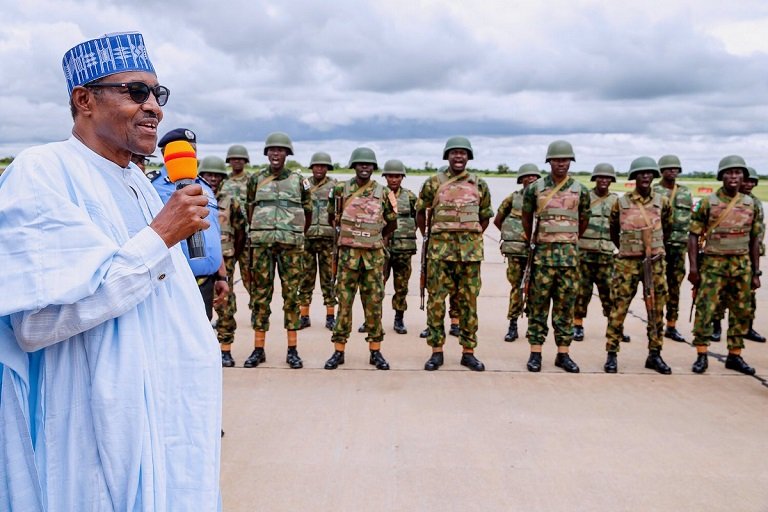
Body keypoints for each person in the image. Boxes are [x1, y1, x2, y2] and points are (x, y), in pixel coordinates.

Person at [0, 32, 221, 510]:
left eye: (158, 95)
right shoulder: (43, 172)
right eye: (135, 92)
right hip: (94, 428)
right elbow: (34, 324)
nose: (154, 108)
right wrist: (160, 236)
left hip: (167, 422)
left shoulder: (137, 181)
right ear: (84, 100)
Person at [416, 136, 493, 372]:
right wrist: (432, 238)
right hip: (440, 254)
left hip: (469, 256)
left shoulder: (479, 184)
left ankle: (468, 352)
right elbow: (421, 214)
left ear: (468, 157)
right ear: (447, 156)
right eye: (454, 153)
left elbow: (485, 217)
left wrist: (470, 238)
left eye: (463, 153)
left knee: (469, 303)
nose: (458, 156)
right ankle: (436, 351)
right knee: (436, 302)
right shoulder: (433, 183)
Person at [324, 147, 397, 370]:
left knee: (374, 305)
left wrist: (376, 239)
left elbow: (392, 222)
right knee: (344, 305)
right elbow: (331, 217)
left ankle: (375, 351)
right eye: (360, 164)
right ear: (354, 165)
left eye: (368, 164)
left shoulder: (384, 192)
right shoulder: (340, 189)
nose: (364, 167)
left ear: (373, 168)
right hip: (347, 258)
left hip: (373, 258)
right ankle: (339, 351)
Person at [522, 140, 590, 373]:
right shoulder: (535, 188)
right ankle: (535, 353)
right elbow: (526, 217)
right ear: (549, 161)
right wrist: (537, 240)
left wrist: (567, 240)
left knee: (565, 309)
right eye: (557, 159)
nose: (561, 163)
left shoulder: (580, 189)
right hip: (542, 259)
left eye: (565, 160)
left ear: (570, 162)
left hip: (569, 260)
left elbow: (584, 220)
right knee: (538, 307)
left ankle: (563, 354)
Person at [689, 156, 762, 375]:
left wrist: (756, 272)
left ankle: (735, 355)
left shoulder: (751, 204)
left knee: (741, 311)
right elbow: (693, 236)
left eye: (738, 173)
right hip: (713, 265)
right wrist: (693, 268)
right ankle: (702, 354)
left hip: (741, 265)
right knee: (706, 310)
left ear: (743, 177)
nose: (733, 177)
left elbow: (755, 239)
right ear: (722, 176)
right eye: (729, 173)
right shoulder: (708, 202)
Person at [245, 132, 312, 369]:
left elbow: (308, 210)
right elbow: (249, 207)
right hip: (262, 244)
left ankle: (292, 350)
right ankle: (258, 348)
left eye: (280, 150)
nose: (275, 154)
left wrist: (295, 233)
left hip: (291, 246)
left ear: (287, 154)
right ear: (266, 154)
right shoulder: (255, 179)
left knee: (291, 296)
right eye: (271, 150)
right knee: (260, 296)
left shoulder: (298, 180)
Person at [603, 157, 672, 374]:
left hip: (655, 263)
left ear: (654, 176)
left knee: (656, 309)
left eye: (649, 173)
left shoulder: (663, 201)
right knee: (618, 308)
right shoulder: (621, 203)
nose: (645, 176)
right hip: (627, 264)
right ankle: (612, 353)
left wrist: (654, 249)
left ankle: (655, 354)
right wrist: (627, 249)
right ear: (634, 177)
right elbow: (613, 230)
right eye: (641, 173)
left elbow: (667, 228)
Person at [152, 128, 229, 321]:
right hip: (174, 285)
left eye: (193, 150)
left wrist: (221, 276)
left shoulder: (204, 186)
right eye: (184, 149)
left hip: (207, 283)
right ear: (166, 154)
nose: (190, 154)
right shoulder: (152, 187)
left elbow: (213, 233)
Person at [198, 156, 248, 367]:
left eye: (217, 175)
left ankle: (225, 349)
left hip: (225, 259)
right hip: (199, 260)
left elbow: (240, 231)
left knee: (226, 305)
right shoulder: (195, 196)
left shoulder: (230, 201)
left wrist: (233, 255)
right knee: (198, 307)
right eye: (208, 174)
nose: (213, 178)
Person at [572, 163, 628, 342]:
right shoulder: (585, 197)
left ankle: (615, 327)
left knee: (611, 294)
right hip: (585, 254)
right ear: (595, 179)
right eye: (600, 177)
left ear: (612, 180)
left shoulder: (617, 201)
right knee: (581, 292)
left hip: (606, 255)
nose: (604, 180)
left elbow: (624, 226)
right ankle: (577, 325)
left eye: (607, 178)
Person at [711, 167, 766, 343]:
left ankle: (747, 327)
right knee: (719, 296)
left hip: (747, 255)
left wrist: (756, 269)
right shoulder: (721, 201)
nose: (749, 184)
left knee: (747, 296)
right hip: (723, 256)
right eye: (747, 181)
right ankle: (716, 326)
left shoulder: (754, 203)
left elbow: (757, 233)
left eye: (753, 182)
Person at [493, 163, 541, 342]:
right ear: (521, 179)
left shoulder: (544, 199)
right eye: (527, 176)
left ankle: (532, 325)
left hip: (538, 253)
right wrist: (512, 237)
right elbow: (498, 221)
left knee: (536, 290)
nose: (531, 179)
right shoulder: (513, 198)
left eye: (534, 176)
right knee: (516, 288)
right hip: (516, 252)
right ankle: (513, 324)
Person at [653, 155, 693, 343]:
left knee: (675, 286)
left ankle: (672, 324)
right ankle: (656, 323)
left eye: (675, 168)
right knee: (657, 286)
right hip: (660, 245)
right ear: (661, 171)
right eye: (669, 168)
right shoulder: (654, 191)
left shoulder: (685, 192)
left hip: (679, 245)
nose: (673, 171)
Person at [298, 151, 338, 331]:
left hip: (328, 239)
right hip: (307, 238)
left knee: (329, 279)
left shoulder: (335, 185)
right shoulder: (304, 185)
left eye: (323, 166)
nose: (319, 169)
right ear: (312, 167)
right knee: (305, 278)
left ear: (328, 168)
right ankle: (304, 315)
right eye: (316, 166)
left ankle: (330, 316)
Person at [381, 159, 418, 334]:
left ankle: (399, 319)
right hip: (382, 248)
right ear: (385, 177)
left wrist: (407, 234)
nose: (393, 180)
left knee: (401, 285)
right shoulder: (379, 194)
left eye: (397, 176)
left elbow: (418, 218)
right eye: (390, 176)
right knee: (376, 285)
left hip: (403, 249)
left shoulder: (410, 197)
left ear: (402, 177)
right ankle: (373, 318)